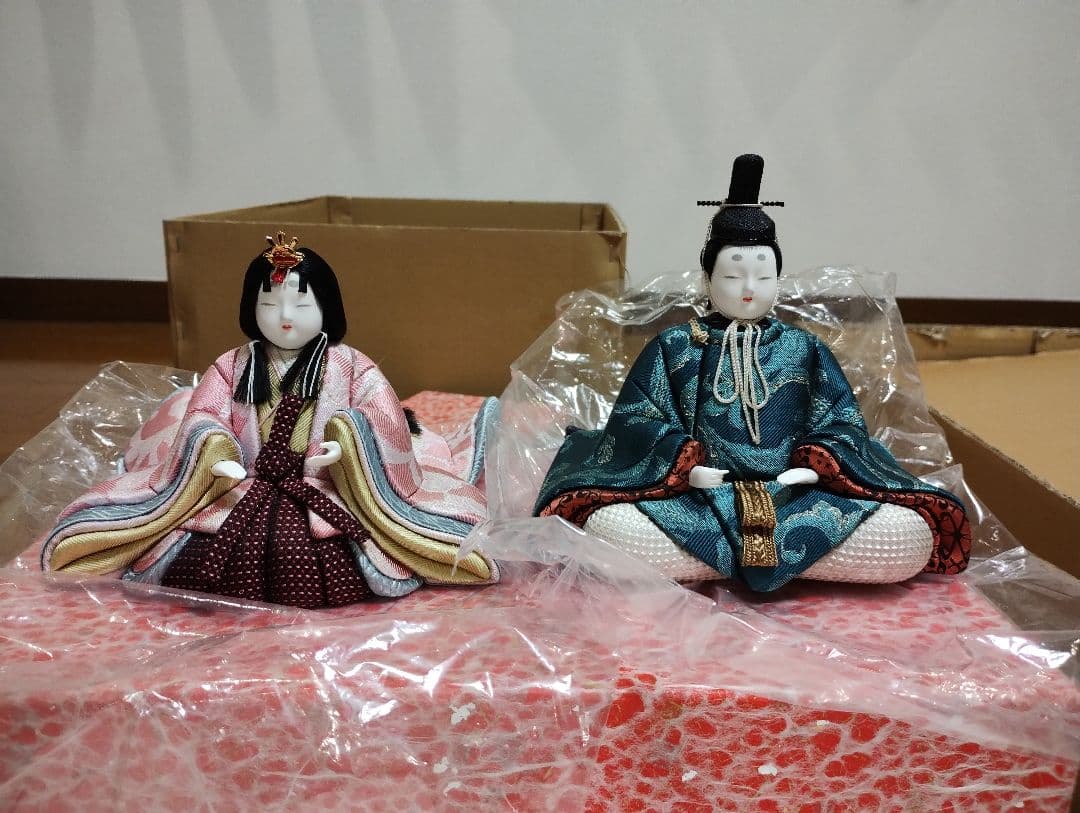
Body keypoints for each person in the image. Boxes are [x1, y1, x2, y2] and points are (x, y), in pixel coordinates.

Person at [534, 156, 970, 590]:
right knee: (614, 529)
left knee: (905, 536)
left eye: (763, 276)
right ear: (707, 281)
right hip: (696, 497)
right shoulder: (676, 345)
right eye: (732, 275)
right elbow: (638, 417)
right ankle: (773, 560)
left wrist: (815, 466)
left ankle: (714, 561)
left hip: (796, 495)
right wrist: (684, 465)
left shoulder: (804, 348)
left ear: (778, 278)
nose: (748, 289)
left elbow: (840, 420)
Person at [42, 233, 498, 607]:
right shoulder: (232, 365)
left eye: (300, 304)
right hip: (244, 481)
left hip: (326, 485)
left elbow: (380, 413)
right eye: (269, 304)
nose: (284, 317)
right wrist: (214, 451)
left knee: (328, 551)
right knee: (206, 546)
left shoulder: (351, 365)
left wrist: (351, 445)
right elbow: (204, 414)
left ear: (326, 307)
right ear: (250, 307)